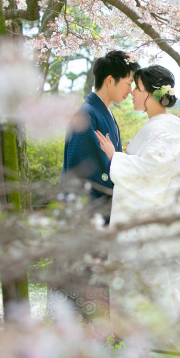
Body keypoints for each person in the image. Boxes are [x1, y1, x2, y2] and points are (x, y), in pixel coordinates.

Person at [95, 65, 180, 335]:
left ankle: (156, 339)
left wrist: (114, 157)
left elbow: (151, 174)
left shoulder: (162, 136)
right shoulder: (157, 134)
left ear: (153, 95)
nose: (131, 93)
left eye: (138, 89)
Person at [49, 50, 139, 320]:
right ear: (110, 81)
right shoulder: (87, 115)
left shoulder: (102, 113)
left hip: (99, 211)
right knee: (85, 277)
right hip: (88, 212)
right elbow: (87, 172)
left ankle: (91, 333)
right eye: (128, 83)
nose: (130, 89)